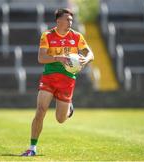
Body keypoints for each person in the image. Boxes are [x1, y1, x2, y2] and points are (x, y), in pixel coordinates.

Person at [21, 8, 94, 156]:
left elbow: (90, 53)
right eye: (67, 19)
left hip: (67, 80)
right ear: (58, 20)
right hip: (49, 78)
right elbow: (41, 58)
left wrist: (86, 59)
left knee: (60, 119)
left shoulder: (77, 36)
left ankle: (69, 109)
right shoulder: (47, 35)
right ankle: (32, 148)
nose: (70, 22)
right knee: (41, 110)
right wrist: (58, 58)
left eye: (71, 20)